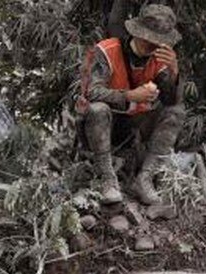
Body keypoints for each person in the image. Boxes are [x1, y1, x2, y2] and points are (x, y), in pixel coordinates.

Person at [77, 5, 184, 206]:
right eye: (149, 38)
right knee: (97, 108)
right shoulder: (107, 50)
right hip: (103, 123)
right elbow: (91, 92)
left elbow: (171, 101)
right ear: (137, 32)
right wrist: (130, 95)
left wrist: (174, 72)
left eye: (157, 40)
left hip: (136, 124)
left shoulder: (160, 59)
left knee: (175, 112)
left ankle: (144, 179)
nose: (152, 44)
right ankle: (107, 179)